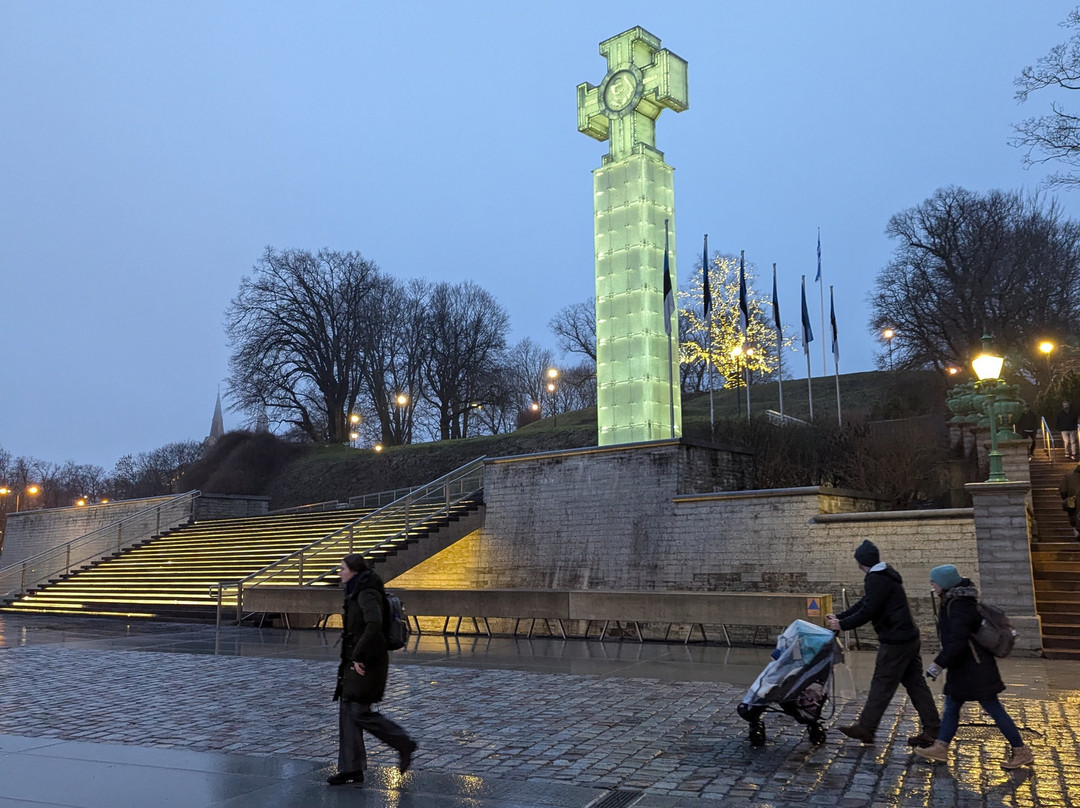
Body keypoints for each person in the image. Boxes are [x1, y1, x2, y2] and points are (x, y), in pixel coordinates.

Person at [915, 565, 1033, 769]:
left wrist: (938, 664)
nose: (932, 586)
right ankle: (941, 747)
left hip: (975, 669)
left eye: (934, 582)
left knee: (994, 709)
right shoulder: (956, 601)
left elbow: (958, 641)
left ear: (944, 583)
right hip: (966, 668)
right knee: (952, 707)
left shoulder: (959, 605)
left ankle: (1021, 751)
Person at [825, 540, 940, 747]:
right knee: (915, 684)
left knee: (882, 683)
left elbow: (869, 610)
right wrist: (841, 617)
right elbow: (866, 602)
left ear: (861, 563)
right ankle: (932, 728)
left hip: (895, 640)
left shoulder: (876, 579)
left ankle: (867, 728)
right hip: (908, 637)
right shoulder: (885, 575)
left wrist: (841, 625)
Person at [328, 553, 417, 786]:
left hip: (368, 661)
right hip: (355, 660)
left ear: (354, 571)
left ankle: (403, 742)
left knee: (358, 711)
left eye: (342, 569)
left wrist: (359, 655)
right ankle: (351, 768)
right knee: (348, 709)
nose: (340, 573)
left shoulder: (366, 592)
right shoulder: (356, 590)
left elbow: (374, 624)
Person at [1059, 463, 1080, 540]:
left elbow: (1063, 490)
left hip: (1074, 505)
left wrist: (1067, 498)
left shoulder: (1069, 476)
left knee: (1075, 523)